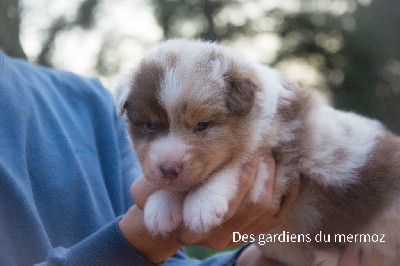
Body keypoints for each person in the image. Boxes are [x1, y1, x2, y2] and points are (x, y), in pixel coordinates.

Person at [0, 49, 299, 265]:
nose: (169, 157)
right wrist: (132, 244)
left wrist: (244, 263)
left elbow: (171, 262)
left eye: (200, 126)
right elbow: (151, 240)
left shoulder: (89, 98)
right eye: (151, 127)